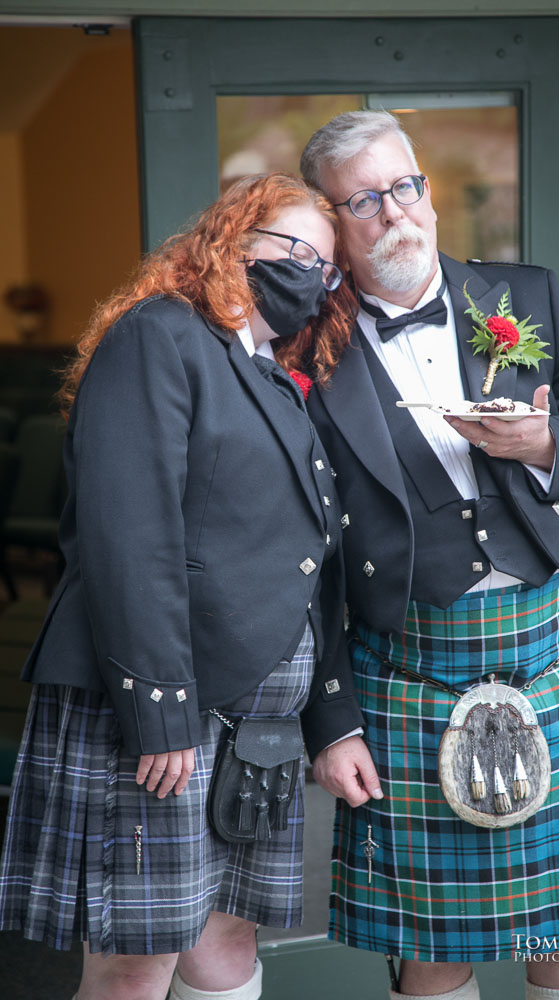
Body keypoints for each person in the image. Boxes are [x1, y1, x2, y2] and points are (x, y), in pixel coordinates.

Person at [300, 111, 559, 1000]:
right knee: (433, 949)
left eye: (404, 186)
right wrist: (331, 717)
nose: (394, 214)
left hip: (543, 654)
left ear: (425, 187)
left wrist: (544, 445)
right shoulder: (310, 350)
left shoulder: (520, 297)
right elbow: (303, 557)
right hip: (409, 665)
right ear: (335, 221)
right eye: (364, 200)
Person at [0, 172, 366, 1000]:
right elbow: (130, 535)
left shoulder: (270, 371)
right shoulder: (158, 336)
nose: (311, 273)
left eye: (326, 264)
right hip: (163, 713)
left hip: (251, 724)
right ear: (232, 243)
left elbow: (302, 560)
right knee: (134, 965)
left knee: (226, 947)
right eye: (294, 249)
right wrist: (158, 707)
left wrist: (320, 714)